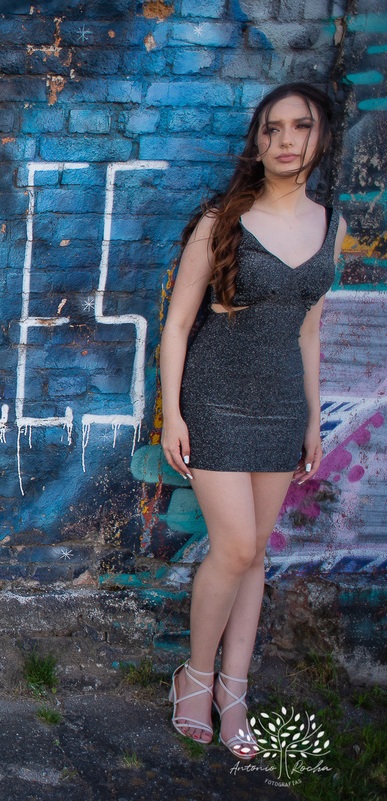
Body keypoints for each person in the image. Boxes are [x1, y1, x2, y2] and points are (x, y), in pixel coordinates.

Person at [159, 82, 344, 760]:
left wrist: (313, 419)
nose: (287, 139)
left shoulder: (333, 225)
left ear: (319, 138)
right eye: (273, 129)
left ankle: (234, 689)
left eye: (301, 127)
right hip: (215, 399)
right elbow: (178, 325)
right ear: (258, 142)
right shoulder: (223, 220)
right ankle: (194, 676)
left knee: (256, 554)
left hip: (280, 406)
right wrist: (171, 412)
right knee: (234, 546)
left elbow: (309, 334)